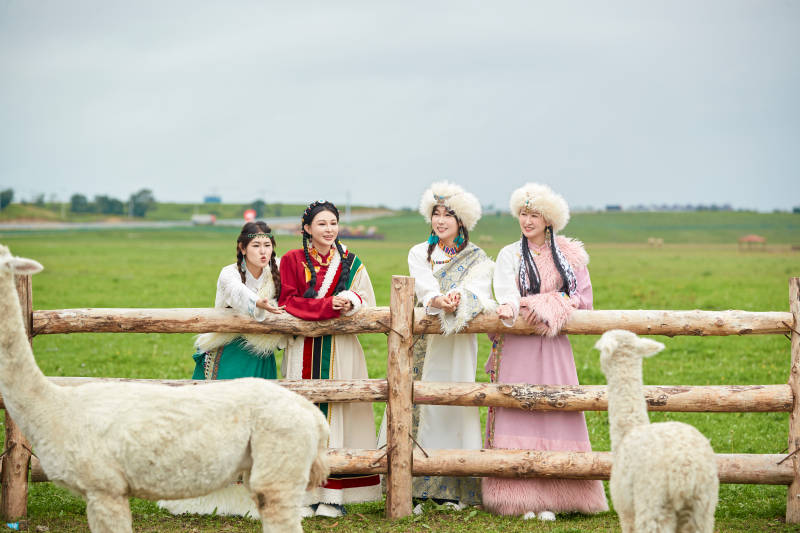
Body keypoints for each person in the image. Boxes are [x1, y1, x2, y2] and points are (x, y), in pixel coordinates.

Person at [482, 183, 608, 521]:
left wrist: (547, 305)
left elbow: (582, 298)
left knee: (556, 408)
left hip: (553, 346)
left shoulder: (570, 256)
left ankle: (559, 496)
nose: (527, 220)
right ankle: (519, 499)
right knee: (517, 406)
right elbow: (506, 291)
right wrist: (516, 306)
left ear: (549, 219)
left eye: (534, 214)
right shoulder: (510, 253)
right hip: (519, 343)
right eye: (523, 213)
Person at [159, 221, 287, 517]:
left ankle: (251, 485)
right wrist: (260, 304)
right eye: (256, 245)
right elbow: (238, 297)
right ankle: (207, 484)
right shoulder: (229, 273)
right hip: (228, 350)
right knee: (218, 415)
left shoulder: (276, 271)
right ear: (242, 248)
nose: (263, 251)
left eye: (267, 245)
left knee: (258, 416)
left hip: (259, 352)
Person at [380, 182, 494, 512]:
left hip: (456, 341)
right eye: (436, 213)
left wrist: (462, 299)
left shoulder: (478, 258)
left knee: (453, 403)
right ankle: (415, 484)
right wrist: (437, 298)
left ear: (463, 221)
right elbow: (423, 285)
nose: (441, 220)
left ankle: (455, 487)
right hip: (423, 338)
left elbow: (481, 291)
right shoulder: (420, 252)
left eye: (448, 214)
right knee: (415, 402)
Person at [279, 200, 381, 518]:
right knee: (301, 415)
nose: (329, 229)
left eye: (333, 223)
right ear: (307, 229)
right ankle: (303, 494)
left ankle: (333, 495)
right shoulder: (292, 259)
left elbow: (367, 298)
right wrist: (327, 307)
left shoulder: (351, 261)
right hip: (302, 349)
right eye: (322, 224)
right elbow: (289, 300)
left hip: (340, 347)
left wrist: (349, 299)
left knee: (338, 412)